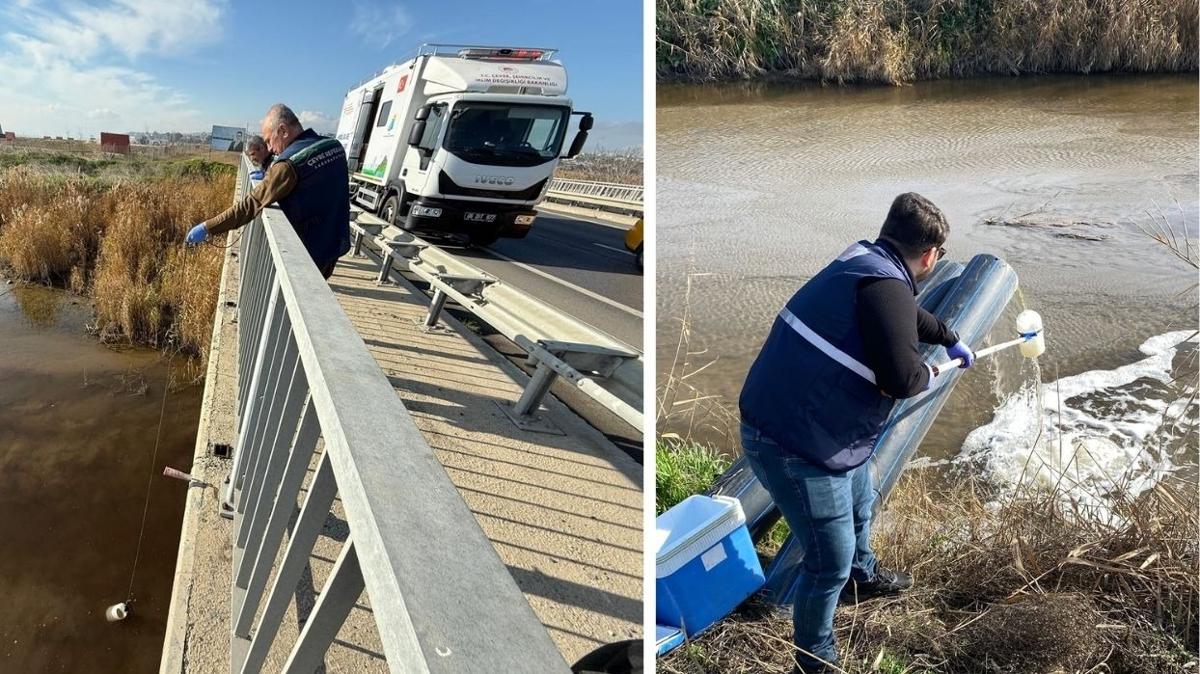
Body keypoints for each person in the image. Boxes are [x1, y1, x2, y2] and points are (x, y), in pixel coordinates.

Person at [738, 192, 975, 674]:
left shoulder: (864, 261)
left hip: (812, 427)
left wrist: (949, 335)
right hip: (797, 445)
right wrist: (941, 368)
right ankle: (815, 658)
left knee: (861, 502)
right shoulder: (886, 287)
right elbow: (903, 380)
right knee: (827, 563)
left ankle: (862, 578)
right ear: (930, 254)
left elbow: (905, 315)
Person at [185, 104, 350, 280]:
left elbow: (250, 205)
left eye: (270, 140)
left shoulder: (288, 164)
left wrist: (208, 227)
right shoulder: (334, 146)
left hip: (308, 251)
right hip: (335, 240)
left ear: (283, 130)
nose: (270, 149)